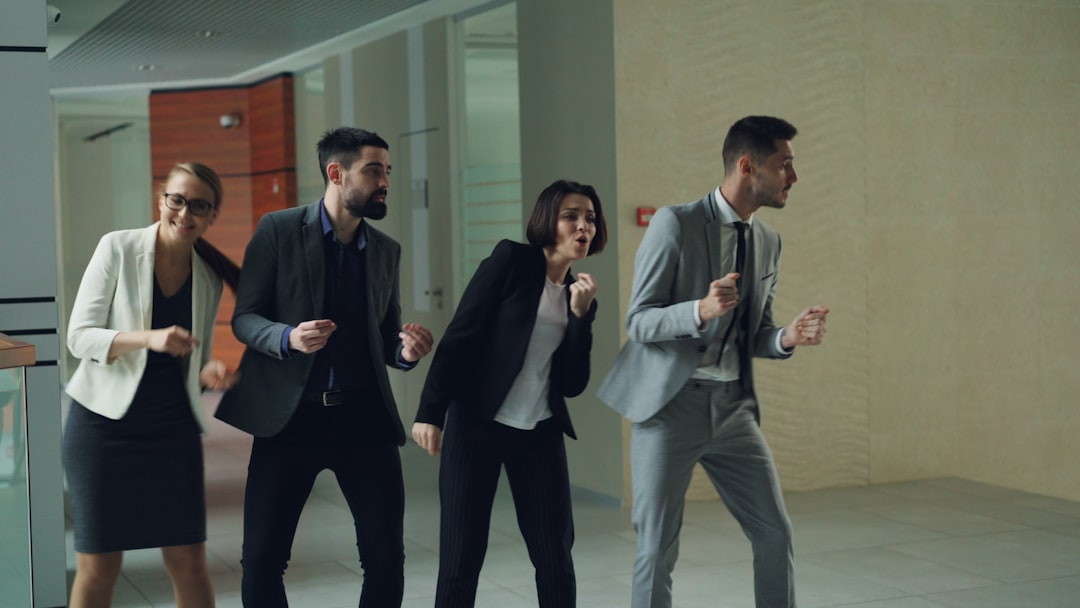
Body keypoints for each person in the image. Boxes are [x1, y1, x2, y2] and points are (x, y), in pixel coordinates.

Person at [598, 116, 829, 608]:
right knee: (657, 547)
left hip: (733, 410)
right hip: (670, 408)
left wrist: (786, 336)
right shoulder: (674, 223)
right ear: (748, 166)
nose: (794, 176)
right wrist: (699, 310)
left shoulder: (769, 241)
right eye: (784, 164)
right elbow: (639, 322)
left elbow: (756, 333)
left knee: (775, 533)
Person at [214, 127, 434, 607]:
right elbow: (245, 317)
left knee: (384, 558)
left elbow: (386, 338)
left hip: (363, 420)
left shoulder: (385, 251)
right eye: (374, 170)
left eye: (388, 171)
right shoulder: (278, 230)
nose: (385, 182)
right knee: (264, 560)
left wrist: (406, 353)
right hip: (290, 421)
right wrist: (288, 337)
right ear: (336, 173)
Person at [412, 179, 607, 608]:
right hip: (477, 426)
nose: (583, 226)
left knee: (555, 556)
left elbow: (572, 383)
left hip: (539, 433)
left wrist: (580, 317)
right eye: (571, 216)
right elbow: (460, 337)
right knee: (462, 559)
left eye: (590, 219)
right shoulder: (511, 260)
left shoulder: (581, 295)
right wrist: (430, 412)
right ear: (547, 221)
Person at [64, 162, 241, 608]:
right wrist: (148, 338)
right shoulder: (118, 248)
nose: (185, 213)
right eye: (177, 200)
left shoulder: (206, 276)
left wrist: (208, 372)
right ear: (162, 199)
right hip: (103, 428)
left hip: (172, 431)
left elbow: (190, 363)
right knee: (100, 567)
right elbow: (78, 338)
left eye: (198, 206)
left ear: (212, 215)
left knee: (189, 561)